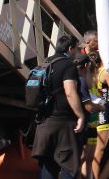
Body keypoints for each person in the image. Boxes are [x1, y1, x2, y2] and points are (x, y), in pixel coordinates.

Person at [31, 34, 84, 179]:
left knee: (48, 166)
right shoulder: (69, 65)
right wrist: (80, 115)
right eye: (76, 49)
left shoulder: (44, 63)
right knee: (69, 166)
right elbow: (70, 92)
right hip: (63, 126)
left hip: (44, 124)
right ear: (70, 48)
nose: (77, 52)